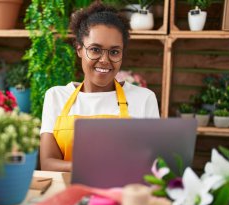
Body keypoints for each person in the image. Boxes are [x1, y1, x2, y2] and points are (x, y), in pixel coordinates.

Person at [40, 2, 160, 172]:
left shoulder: (144, 99)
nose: (105, 60)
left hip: (120, 195)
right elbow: (48, 163)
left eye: (114, 52)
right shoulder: (57, 96)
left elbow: (152, 165)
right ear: (79, 49)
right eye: (95, 49)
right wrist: (95, 167)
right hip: (68, 193)